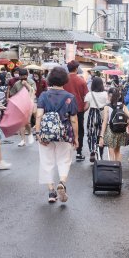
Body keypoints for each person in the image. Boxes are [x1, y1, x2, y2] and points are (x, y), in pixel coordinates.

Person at [35, 66, 78, 203]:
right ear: (65, 80)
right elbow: (74, 120)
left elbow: (39, 115)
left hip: (46, 132)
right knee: (64, 159)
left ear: (50, 79)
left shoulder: (43, 95)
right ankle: (62, 182)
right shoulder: (70, 97)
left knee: (47, 161)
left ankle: (51, 192)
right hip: (64, 133)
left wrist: (37, 133)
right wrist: (76, 138)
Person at [62, 60, 90, 161]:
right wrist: (85, 108)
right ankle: (78, 152)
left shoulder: (64, 80)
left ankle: (66, 152)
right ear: (76, 69)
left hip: (65, 109)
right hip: (79, 109)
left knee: (65, 129)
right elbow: (86, 97)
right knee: (80, 131)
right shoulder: (81, 81)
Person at [84, 76, 111, 162]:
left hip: (92, 115)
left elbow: (86, 107)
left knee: (91, 133)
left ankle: (92, 151)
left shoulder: (89, 94)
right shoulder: (105, 94)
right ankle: (100, 153)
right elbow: (108, 104)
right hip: (102, 115)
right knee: (101, 134)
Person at [9, 68, 36, 147]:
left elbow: (34, 91)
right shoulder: (17, 84)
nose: (23, 78)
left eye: (25, 76)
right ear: (19, 76)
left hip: (29, 104)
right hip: (20, 105)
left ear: (27, 76)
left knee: (27, 121)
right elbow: (12, 93)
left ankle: (30, 133)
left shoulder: (31, 82)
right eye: (21, 76)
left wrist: (26, 85)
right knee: (21, 123)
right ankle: (23, 140)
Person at [102, 87, 128, 161]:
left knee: (111, 151)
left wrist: (101, 135)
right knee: (117, 151)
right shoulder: (123, 106)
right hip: (120, 130)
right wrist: (125, 125)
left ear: (110, 96)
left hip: (110, 130)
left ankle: (113, 168)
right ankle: (118, 168)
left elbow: (104, 122)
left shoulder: (107, 106)